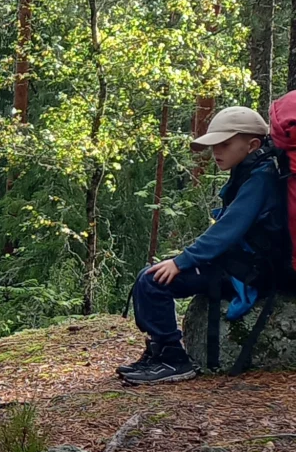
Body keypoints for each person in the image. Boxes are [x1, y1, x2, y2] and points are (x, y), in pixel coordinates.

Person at [120, 105, 291, 386]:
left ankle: (173, 359)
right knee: (149, 277)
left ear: (253, 145)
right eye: (214, 146)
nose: (216, 153)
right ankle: (161, 351)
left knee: (153, 282)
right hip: (241, 264)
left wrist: (183, 261)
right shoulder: (253, 170)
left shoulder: (261, 178)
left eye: (224, 144)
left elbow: (228, 229)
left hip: (249, 273)